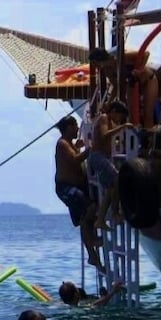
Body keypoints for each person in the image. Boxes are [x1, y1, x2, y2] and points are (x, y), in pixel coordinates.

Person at [55, 115, 102, 270]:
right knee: (88, 212)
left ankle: (92, 254)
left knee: (86, 217)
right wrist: (90, 149)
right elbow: (75, 159)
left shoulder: (70, 143)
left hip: (76, 187)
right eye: (75, 126)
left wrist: (80, 146)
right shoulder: (62, 144)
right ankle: (92, 245)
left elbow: (75, 154)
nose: (77, 129)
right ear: (68, 127)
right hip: (66, 188)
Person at [89, 100, 132, 230]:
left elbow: (110, 140)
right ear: (114, 112)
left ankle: (100, 219)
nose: (120, 120)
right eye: (120, 116)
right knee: (117, 178)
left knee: (112, 189)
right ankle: (114, 213)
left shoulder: (111, 122)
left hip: (104, 157)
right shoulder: (104, 118)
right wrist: (122, 127)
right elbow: (103, 136)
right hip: (97, 157)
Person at [59, 280, 125, 307]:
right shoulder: (81, 307)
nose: (79, 289)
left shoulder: (61, 304)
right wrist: (113, 291)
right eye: (77, 289)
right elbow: (97, 304)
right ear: (76, 295)